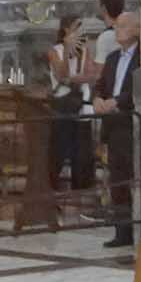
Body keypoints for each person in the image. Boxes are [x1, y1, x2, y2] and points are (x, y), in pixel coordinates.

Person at [91, 7, 141, 246]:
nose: (117, 30)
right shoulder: (112, 58)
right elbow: (100, 85)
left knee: (134, 178)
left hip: (130, 124)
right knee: (117, 180)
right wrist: (98, 99)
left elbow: (139, 89)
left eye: (123, 26)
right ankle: (122, 232)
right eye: (117, 26)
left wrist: (117, 102)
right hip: (113, 127)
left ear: (137, 30)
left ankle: (140, 229)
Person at [43, 11, 98, 200]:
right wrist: (67, 51)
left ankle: (81, 189)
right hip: (62, 105)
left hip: (80, 105)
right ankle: (51, 187)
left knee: (81, 152)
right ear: (66, 30)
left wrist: (72, 79)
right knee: (59, 148)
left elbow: (90, 75)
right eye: (76, 28)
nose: (80, 32)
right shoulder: (54, 51)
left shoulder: (86, 51)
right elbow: (61, 74)